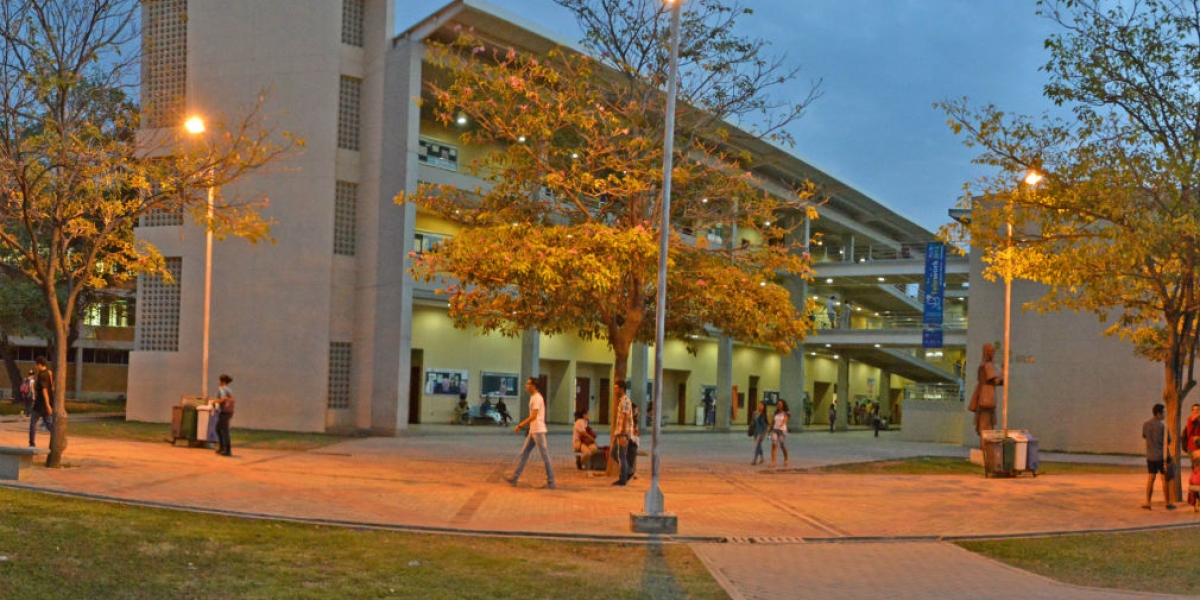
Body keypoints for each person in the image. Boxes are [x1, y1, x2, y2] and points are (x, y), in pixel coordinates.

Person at [504, 378, 556, 489]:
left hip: (538, 431)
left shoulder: (536, 398)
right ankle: (514, 478)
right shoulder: (534, 397)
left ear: (533, 386)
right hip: (533, 431)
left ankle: (551, 482)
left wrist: (520, 425)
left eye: (528, 384)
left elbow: (534, 416)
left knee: (545, 456)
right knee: (524, 453)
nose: (526, 386)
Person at [1142, 403, 1175, 510]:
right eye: (1163, 412)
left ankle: (1148, 502)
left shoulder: (1146, 424)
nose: (1164, 414)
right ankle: (1167, 503)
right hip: (1161, 456)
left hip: (1150, 455)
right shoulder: (1163, 426)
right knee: (1164, 479)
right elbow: (1168, 441)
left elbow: (1144, 436)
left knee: (1151, 478)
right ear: (1158, 413)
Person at [968, 343, 1003, 441]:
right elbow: (997, 381)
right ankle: (986, 451)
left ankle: (984, 450)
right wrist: (1003, 371)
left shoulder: (982, 365)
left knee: (984, 427)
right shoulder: (988, 366)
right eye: (991, 351)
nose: (993, 354)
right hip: (987, 400)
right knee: (986, 429)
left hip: (982, 399)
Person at [612, 381, 634, 486]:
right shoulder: (621, 401)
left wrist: (623, 434)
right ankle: (628, 471)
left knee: (621, 455)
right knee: (613, 453)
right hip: (619, 431)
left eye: (616, 388)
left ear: (621, 388)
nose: (615, 390)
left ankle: (622, 479)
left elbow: (625, 417)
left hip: (622, 432)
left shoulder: (625, 401)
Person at [29, 356, 54, 448]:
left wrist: (47, 405)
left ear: (39, 364)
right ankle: (58, 437)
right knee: (48, 423)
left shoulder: (41, 375)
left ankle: (32, 443)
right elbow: (51, 387)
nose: (35, 366)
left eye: (36, 364)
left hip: (40, 404)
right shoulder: (49, 373)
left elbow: (44, 391)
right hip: (45, 403)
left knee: (33, 423)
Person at [212, 374, 236, 456]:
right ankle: (223, 448)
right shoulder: (229, 389)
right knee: (219, 429)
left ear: (222, 381)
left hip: (224, 412)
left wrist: (214, 401)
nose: (218, 382)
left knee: (223, 430)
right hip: (229, 412)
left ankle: (226, 450)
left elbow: (222, 400)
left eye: (219, 380)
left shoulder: (222, 389)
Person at [770, 399, 790, 468]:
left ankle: (786, 459)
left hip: (782, 431)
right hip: (775, 430)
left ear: (783, 405)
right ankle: (773, 462)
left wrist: (782, 424)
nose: (779, 405)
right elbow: (772, 421)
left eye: (780, 404)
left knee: (782, 445)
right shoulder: (775, 413)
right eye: (778, 404)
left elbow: (785, 420)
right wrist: (769, 429)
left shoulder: (786, 413)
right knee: (774, 445)